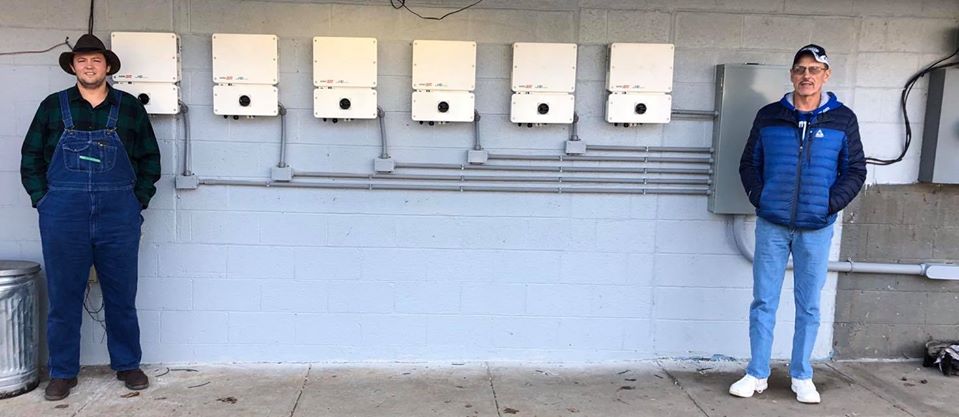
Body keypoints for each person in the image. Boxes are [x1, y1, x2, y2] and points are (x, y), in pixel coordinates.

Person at [20, 33, 161, 401]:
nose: (88, 65)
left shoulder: (129, 108)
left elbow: (151, 161)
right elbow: (30, 160)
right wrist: (44, 201)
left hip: (119, 215)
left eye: (95, 60)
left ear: (108, 66)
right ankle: (63, 372)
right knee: (64, 297)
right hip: (63, 214)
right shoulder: (53, 107)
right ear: (73, 66)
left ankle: (128, 364)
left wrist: (137, 202)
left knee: (121, 294)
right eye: (81, 60)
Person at [730, 44, 867, 404]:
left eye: (815, 69)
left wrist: (829, 203)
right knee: (763, 301)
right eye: (800, 69)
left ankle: (801, 374)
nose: (807, 76)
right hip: (773, 225)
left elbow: (855, 170)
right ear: (792, 74)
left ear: (826, 75)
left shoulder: (842, 119)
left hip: (816, 228)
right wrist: (762, 198)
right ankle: (757, 372)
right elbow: (749, 164)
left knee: (808, 305)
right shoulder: (769, 115)